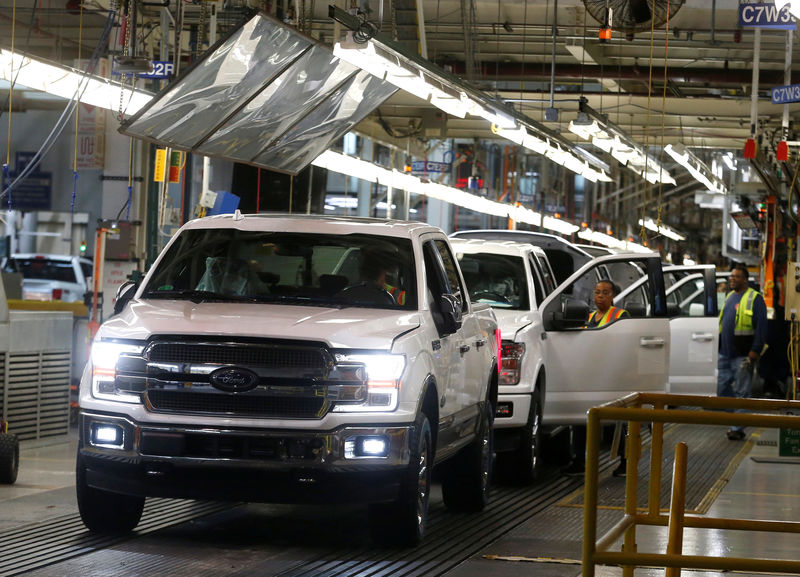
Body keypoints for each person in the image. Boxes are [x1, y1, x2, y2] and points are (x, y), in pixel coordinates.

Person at [564, 280, 630, 477]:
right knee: (580, 418)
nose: (600, 296)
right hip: (589, 375)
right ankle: (579, 461)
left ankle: (625, 461)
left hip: (611, 375)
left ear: (612, 296)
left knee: (616, 422)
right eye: (597, 292)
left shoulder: (620, 316)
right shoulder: (588, 317)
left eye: (605, 293)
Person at [717, 264, 768, 441]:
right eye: (731, 276)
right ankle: (738, 416)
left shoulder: (755, 298)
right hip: (725, 352)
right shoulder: (730, 296)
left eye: (736, 277)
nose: (732, 279)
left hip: (743, 355)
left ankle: (736, 427)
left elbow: (762, 327)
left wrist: (755, 350)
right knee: (721, 388)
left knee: (742, 392)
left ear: (745, 280)